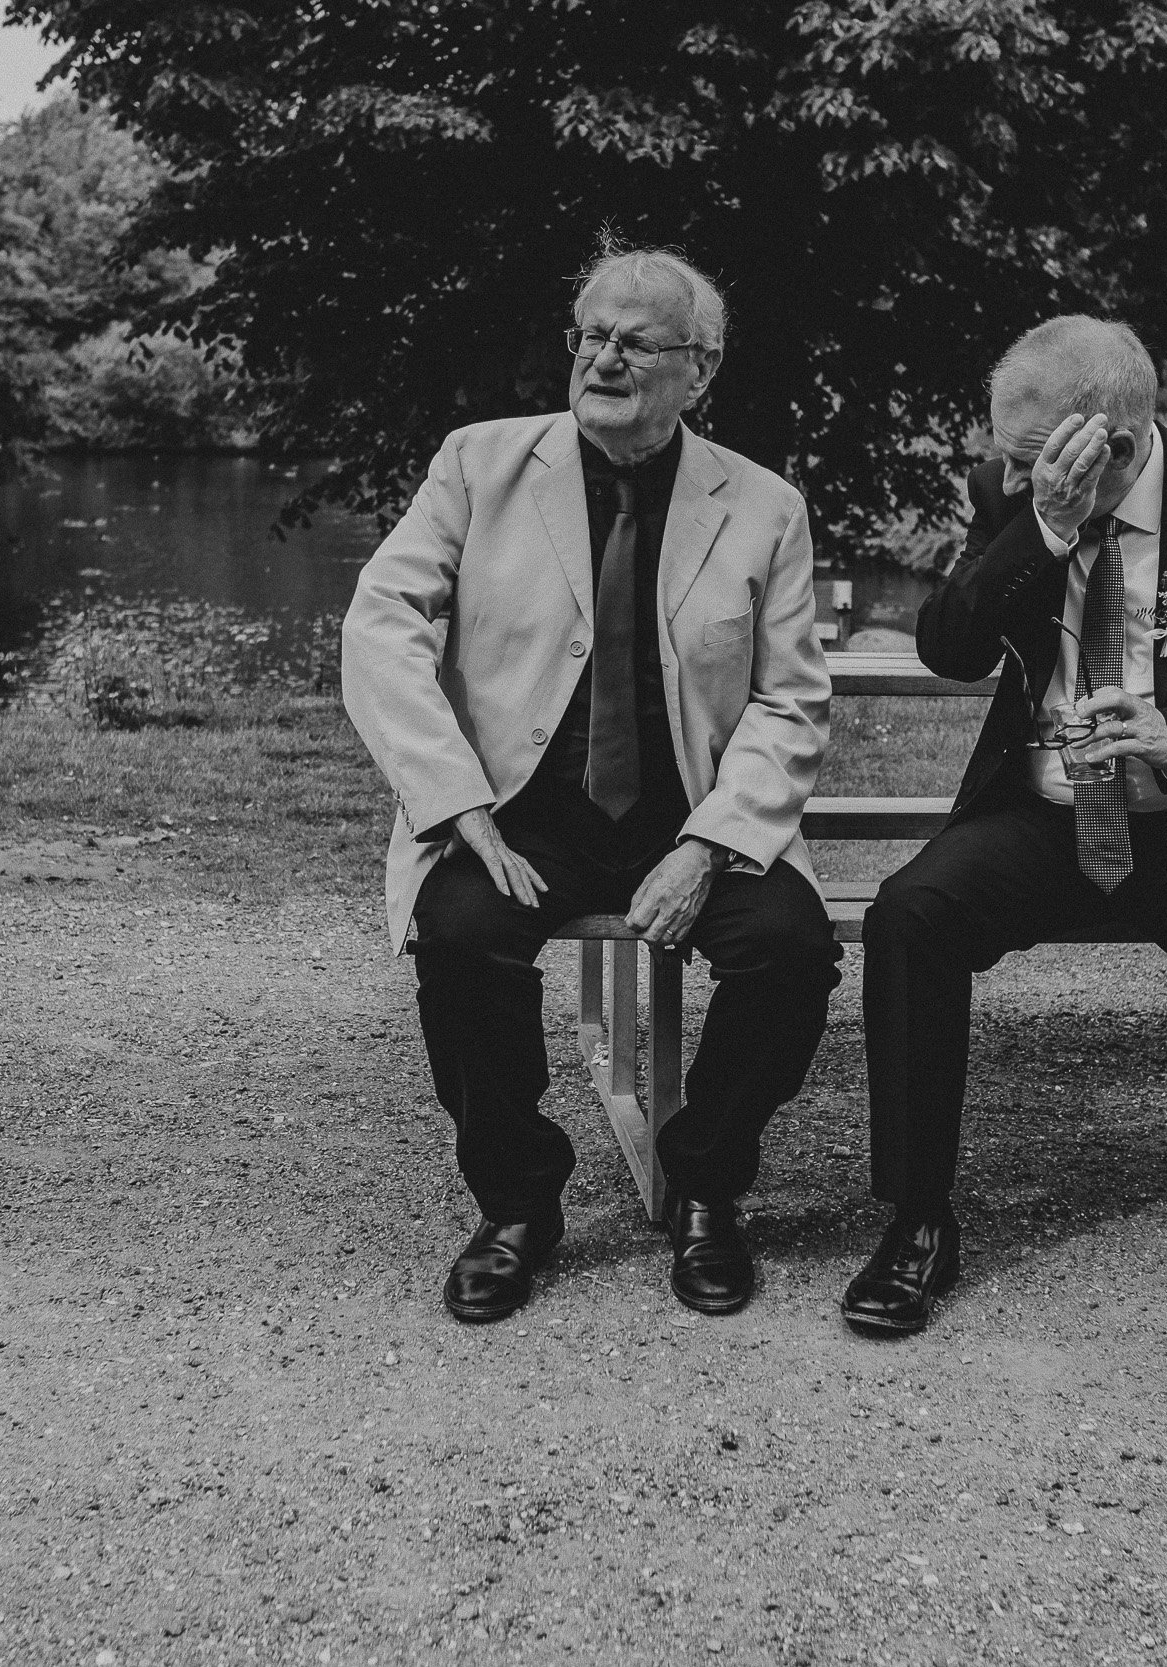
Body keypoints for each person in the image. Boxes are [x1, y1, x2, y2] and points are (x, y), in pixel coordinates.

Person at [842, 315, 1167, 1430]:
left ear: (1115, 442)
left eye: (1034, 457)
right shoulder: (1014, 493)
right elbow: (948, 648)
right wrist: (1038, 523)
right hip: (1041, 814)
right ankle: (918, 1220)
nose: (1010, 471)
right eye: (1007, 456)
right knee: (908, 915)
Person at [342, 245, 840, 1325]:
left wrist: (710, 844)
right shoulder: (478, 465)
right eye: (591, 335)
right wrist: (456, 800)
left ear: (699, 370)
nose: (603, 358)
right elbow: (380, 623)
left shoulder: (764, 506)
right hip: (520, 814)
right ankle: (517, 1204)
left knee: (794, 951)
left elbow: (790, 699)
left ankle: (704, 1184)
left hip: (693, 813)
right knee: (460, 936)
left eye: (636, 342)